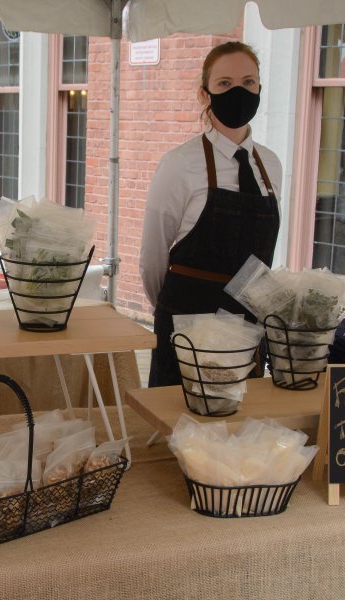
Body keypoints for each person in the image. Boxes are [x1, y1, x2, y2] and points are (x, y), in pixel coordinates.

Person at [140, 41, 283, 388]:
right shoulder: (180, 164)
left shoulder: (271, 165)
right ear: (205, 95)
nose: (238, 91)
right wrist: (175, 311)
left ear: (259, 89)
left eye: (248, 82)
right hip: (187, 327)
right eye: (225, 84)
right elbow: (152, 260)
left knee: (236, 433)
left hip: (246, 329)